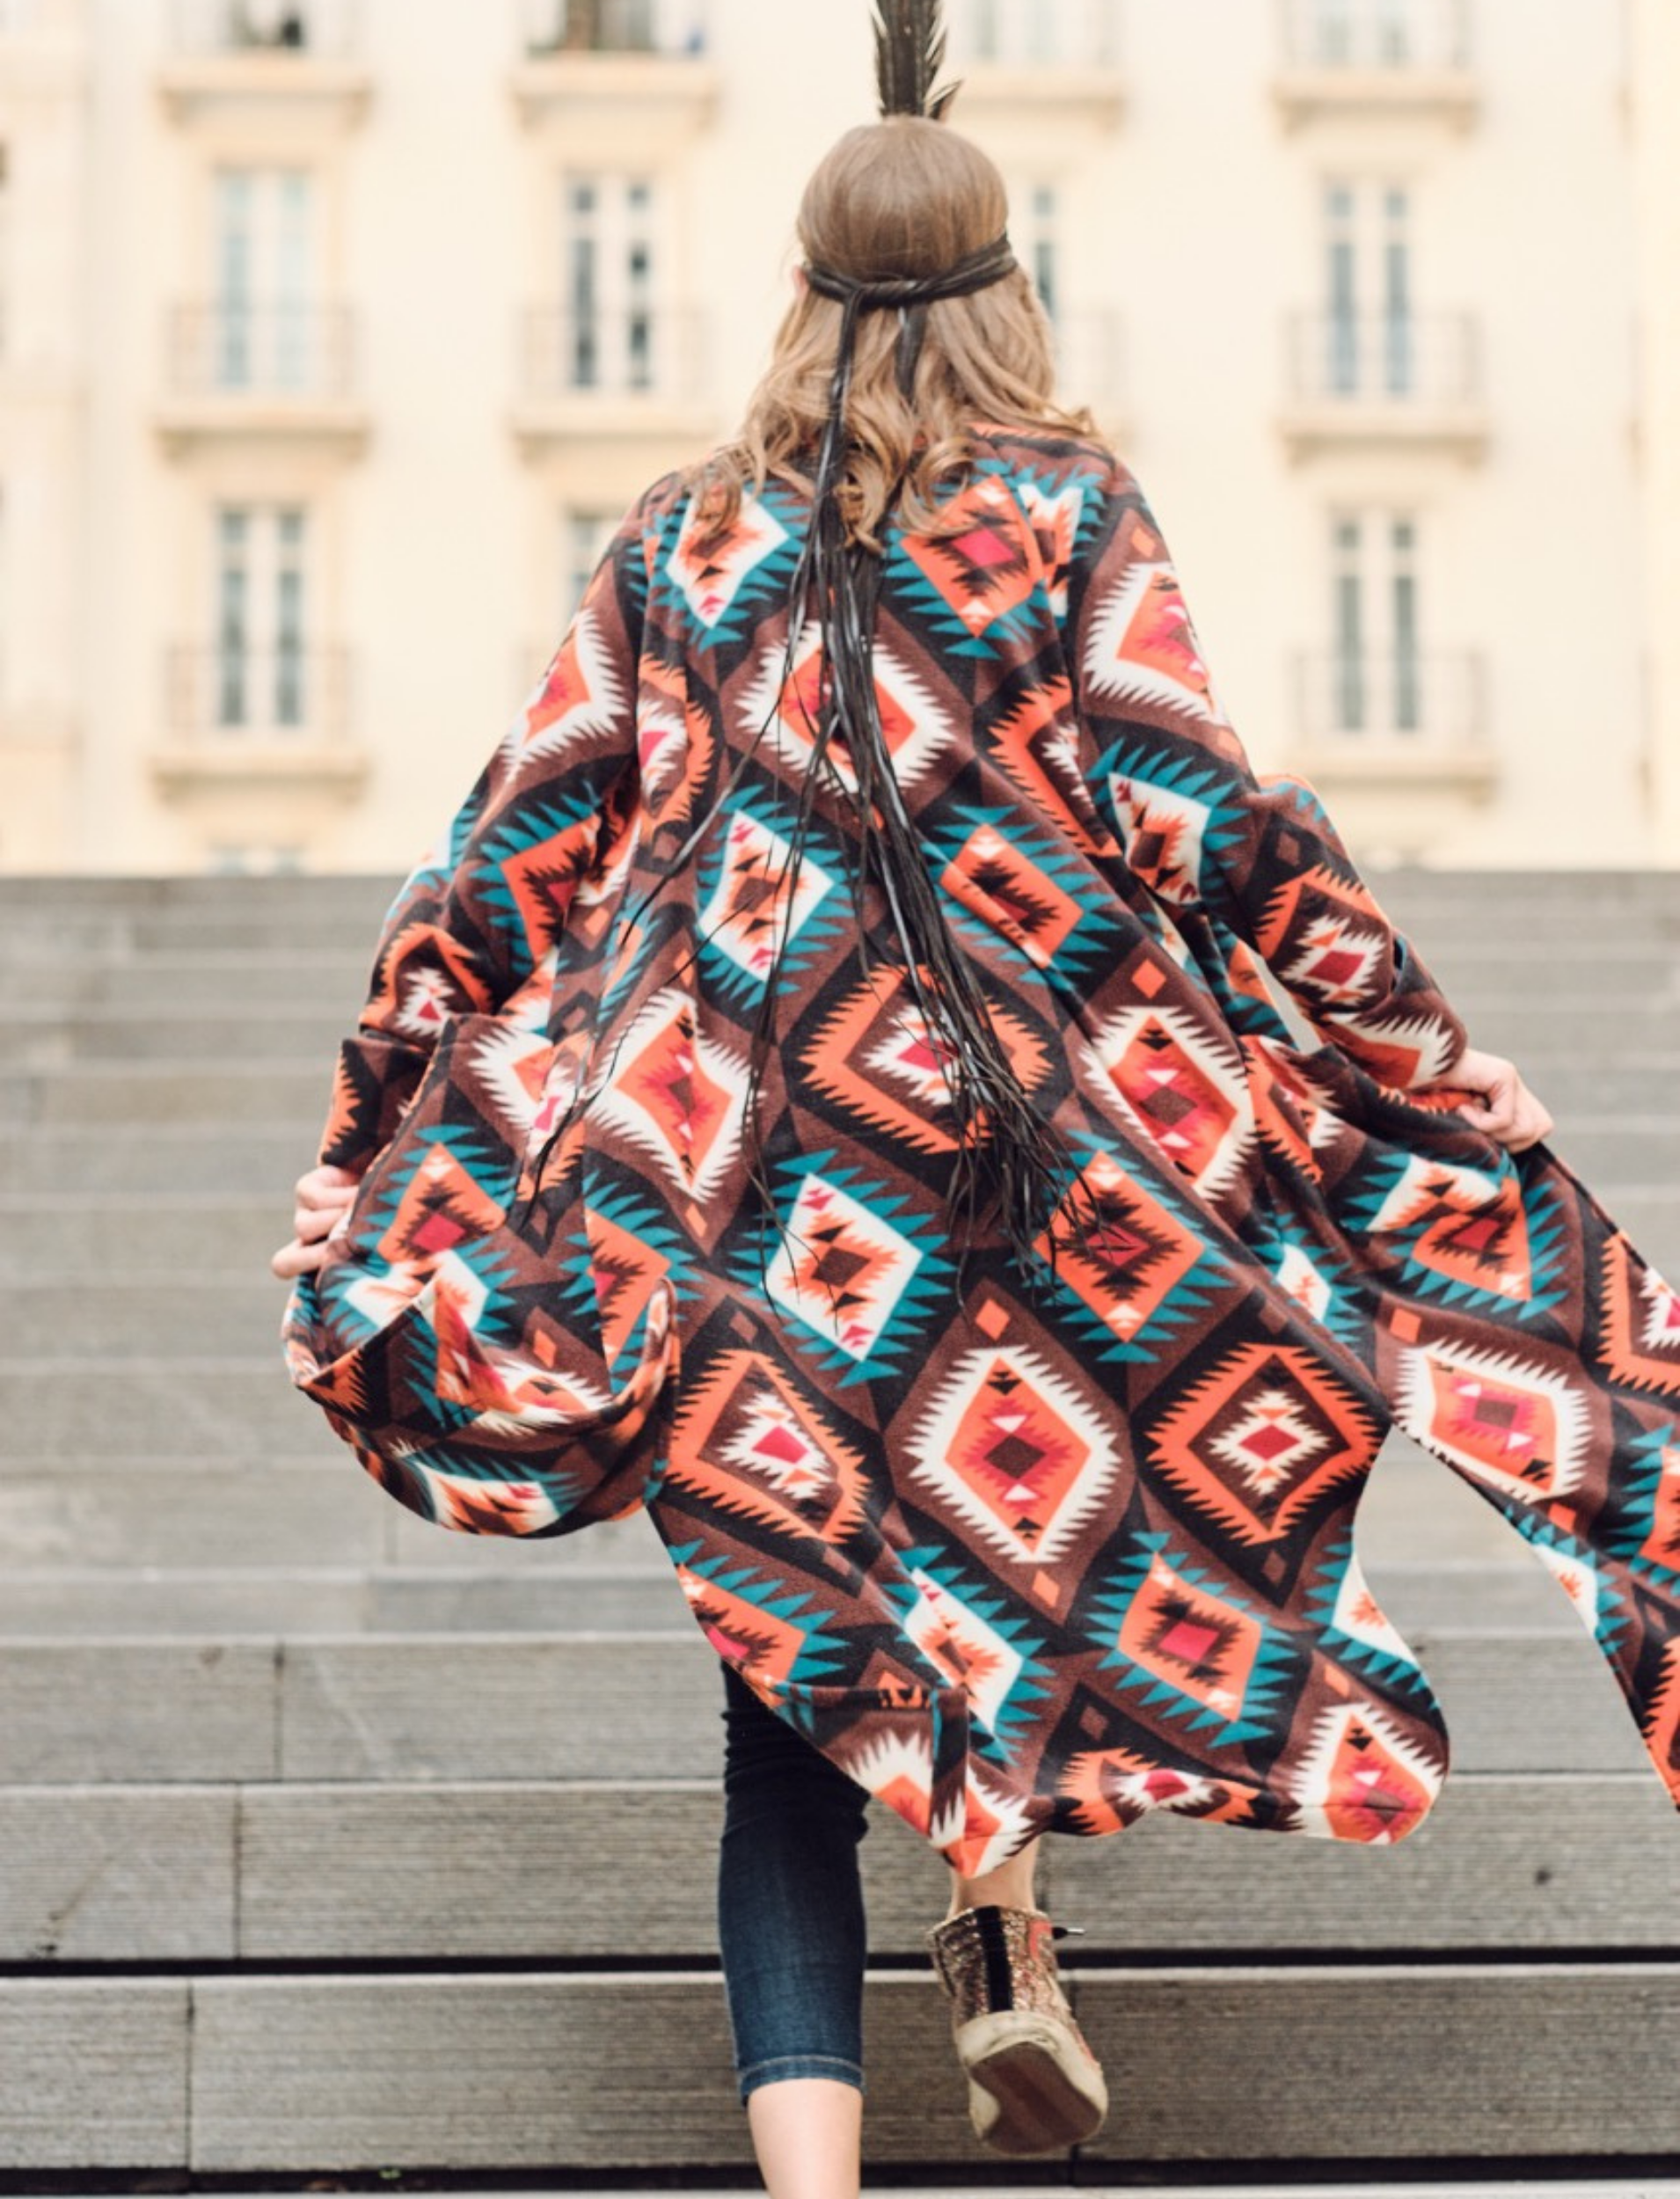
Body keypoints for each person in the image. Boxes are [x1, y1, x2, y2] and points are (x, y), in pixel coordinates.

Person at [273, 27, 1679, 2199]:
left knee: (786, 1708)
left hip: (747, 1195)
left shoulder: (677, 540)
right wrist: (1414, 1055)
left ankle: (838, 2146)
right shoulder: (1064, 512)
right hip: (1049, 1175)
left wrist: (375, 1148)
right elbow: (1218, 819)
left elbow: (503, 860)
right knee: (1024, 1522)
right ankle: (1004, 1888)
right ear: (1009, 295)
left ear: (798, 296)